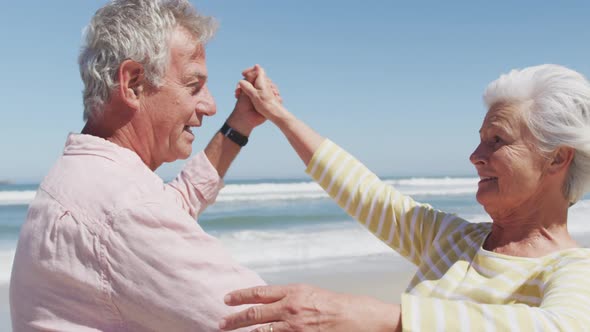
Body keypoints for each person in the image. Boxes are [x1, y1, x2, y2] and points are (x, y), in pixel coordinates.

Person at [219, 64, 590, 331]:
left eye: (498, 140)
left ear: (557, 157)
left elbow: (562, 326)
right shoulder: (454, 241)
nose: (475, 155)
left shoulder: (573, 270)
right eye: (479, 138)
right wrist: (278, 115)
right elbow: (365, 193)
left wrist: (380, 319)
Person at [9, 1, 270, 331]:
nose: (211, 105)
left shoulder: (86, 178)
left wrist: (240, 124)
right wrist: (352, 312)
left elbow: (173, 206)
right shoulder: (124, 208)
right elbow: (263, 321)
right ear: (133, 83)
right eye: (194, 85)